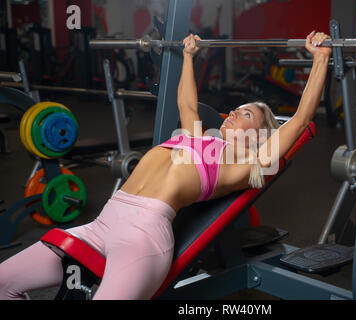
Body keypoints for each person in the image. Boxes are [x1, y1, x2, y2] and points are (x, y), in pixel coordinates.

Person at [0, 31, 331, 300]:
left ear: (260, 138)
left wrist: (320, 59)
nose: (231, 113)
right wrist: (188, 57)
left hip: (142, 240)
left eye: (245, 114)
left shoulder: (244, 164)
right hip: (101, 225)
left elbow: (301, 119)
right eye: (236, 108)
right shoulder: (197, 138)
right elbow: (186, 102)